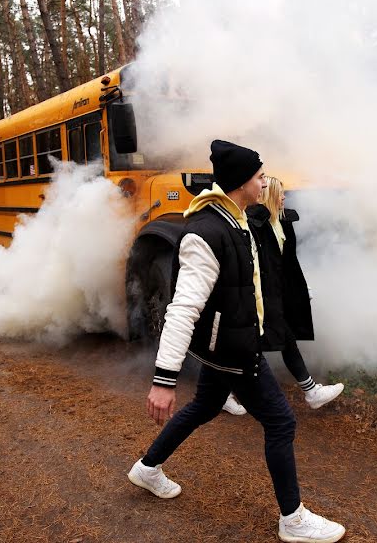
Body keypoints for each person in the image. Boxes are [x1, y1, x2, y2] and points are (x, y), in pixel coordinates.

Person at [128, 140, 346, 543]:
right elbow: (182, 309)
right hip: (231, 350)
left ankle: (147, 468)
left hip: (227, 343)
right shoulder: (206, 233)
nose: (265, 182)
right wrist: (163, 379)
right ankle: (293, 520)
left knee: (205, 405)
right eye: (260, 176)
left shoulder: (236, 219)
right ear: (241, 182)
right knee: (281, 422)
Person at [222, 176, 344, 416]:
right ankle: (309, 392)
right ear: (270, 196)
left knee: (279, 339)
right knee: (252, 343)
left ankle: (310, 392)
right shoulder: (255, 224)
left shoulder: (283, 222)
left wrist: (298, 289)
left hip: (274, 294)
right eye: (281, 193)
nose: (285, 197)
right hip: (258, 294)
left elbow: (286, 263)